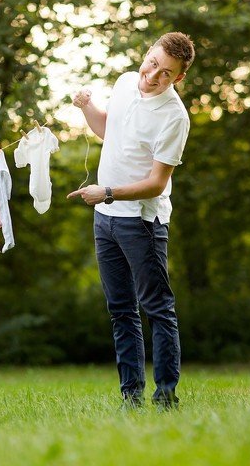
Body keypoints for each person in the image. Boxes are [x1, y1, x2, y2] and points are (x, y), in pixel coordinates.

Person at [67, 32, 195, 409]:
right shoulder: (124, 82)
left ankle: (166, 396)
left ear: (178, 79)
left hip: (141, 223)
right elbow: (110, 130)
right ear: (147, 54)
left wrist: (105, 192)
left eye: (166, 73)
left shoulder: (174, 118)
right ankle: (131, 397)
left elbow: (156, 184)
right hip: (104, 220)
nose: (153, 75)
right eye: (153, 62)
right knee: (121, 309)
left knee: (157, 308)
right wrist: (87, 107)